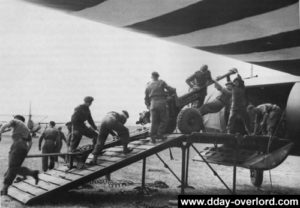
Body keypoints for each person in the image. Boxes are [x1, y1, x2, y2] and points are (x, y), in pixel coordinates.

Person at [0, 115, 39, 196]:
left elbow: (4, 126)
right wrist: (25, 152)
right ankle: (4, 189)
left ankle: (32, 173)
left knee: (12, 168)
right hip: (23, 147)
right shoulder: (27, 130)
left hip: (17, 145)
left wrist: (0, 133)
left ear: (17, 118)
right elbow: (30, 143)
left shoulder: (16, 121)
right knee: (12, 168)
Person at [145, 72, 176, 143]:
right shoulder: (161, 82)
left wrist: (148, 106)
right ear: (157, 76)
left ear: (151, 77)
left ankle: (152, 137)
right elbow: (170, 89)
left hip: (152, 104)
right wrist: (173, 90)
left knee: (153, 121)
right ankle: (159, 134)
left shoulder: (148, 85)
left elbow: (146, 98)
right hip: (161, 103)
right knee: (164, 120)